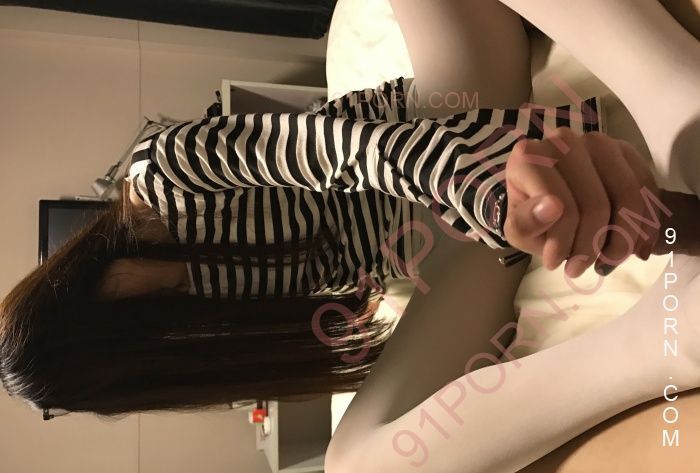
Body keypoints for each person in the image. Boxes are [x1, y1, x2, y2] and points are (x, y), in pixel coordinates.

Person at [0, 0, 697, 471]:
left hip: (436, 127)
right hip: (443, 259)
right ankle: (668, 345)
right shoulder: (192, 337)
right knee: (356, 465)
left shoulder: (162, 173)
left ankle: (672, 85)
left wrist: (478, 185)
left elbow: (337, 148)